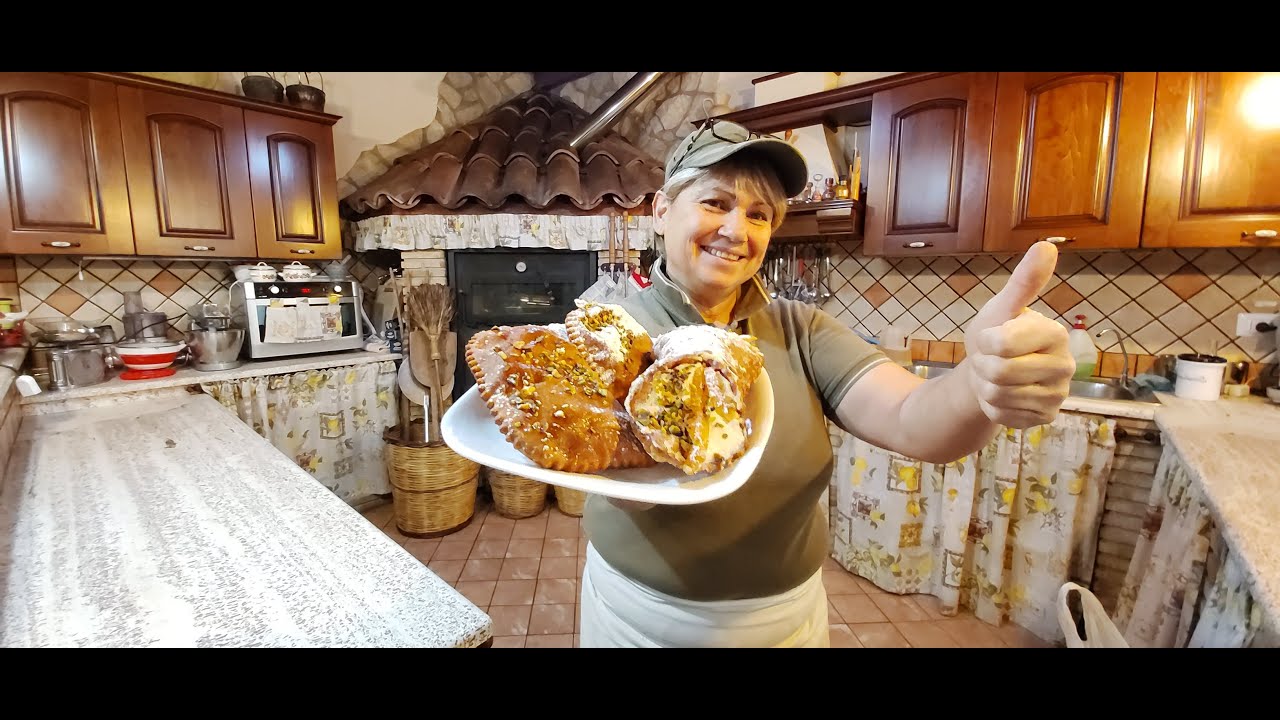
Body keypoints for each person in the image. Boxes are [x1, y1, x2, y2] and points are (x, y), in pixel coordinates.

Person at [577, 119, 1076, 648]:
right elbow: (604, 476)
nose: (736, 230)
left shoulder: (801, 330)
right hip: (640, 618)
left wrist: (979, 383)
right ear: (660, 211)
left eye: (759, 214)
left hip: (786, 622)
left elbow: (912, 418)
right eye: (716, 203)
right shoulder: (607, 336)